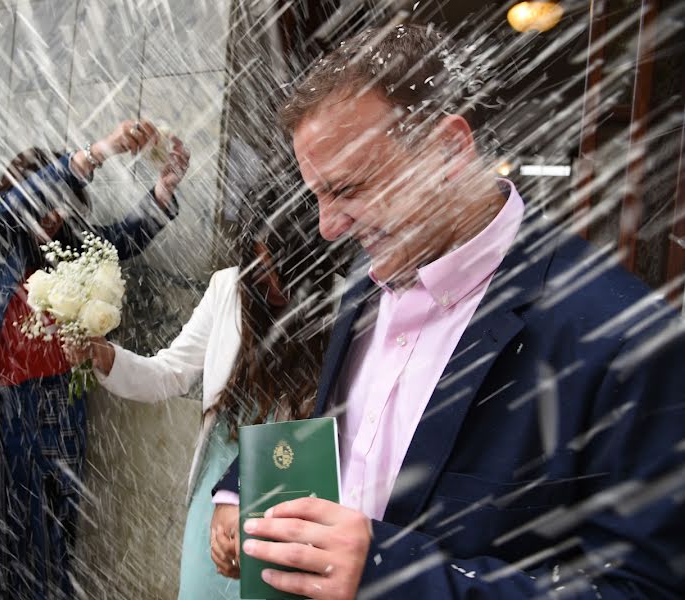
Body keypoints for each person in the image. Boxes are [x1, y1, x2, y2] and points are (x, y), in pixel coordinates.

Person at [211, 24, 685, 599]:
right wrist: (242, 490)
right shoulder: (369, 276)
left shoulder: (625, 335)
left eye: (349, 189)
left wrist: (392, 574)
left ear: (450, 149)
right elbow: (348, 433)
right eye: (316, 195)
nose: (327, 227)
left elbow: (642, 590)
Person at [0, 121, 190, 599]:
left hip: (57, 405)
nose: (55, 216)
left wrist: (162, 190)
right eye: (45, 205)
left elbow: (122, 238)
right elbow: (11, 202)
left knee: (52, 532)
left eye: (62, 206)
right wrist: (94, 155)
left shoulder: (69, 247)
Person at [66, 177, 335, 598]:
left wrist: (245, 487)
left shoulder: (334, 310)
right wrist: (107, 357)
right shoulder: (229, 288)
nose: (266, 280)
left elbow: (326, 422)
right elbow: (171, 371)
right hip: (216, 481)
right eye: (257, 263)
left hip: (289, 478)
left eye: (276, 266)